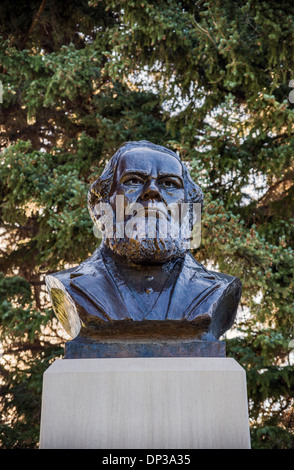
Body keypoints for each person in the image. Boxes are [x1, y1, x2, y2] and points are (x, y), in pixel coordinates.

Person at [45, 141, 241, 342]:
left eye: (169, 184)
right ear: (101, 205)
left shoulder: (217, 289)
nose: (153, 191)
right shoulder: (71, 285)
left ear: (190, 211)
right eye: (133, 181)